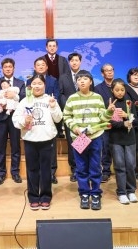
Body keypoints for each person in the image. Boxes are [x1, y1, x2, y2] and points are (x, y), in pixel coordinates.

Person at [63, 70, 112, 211]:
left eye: (85, 79)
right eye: (79, 79)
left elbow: (103, 118)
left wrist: (109, 111)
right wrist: (75, 128)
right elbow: (66, 116)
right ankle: (84, 194)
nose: (82, 81)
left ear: (91, 81)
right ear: (76, 82)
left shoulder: (97, 97)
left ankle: (96, 194)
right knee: (81, 167)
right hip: (79, 138)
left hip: (95, 137)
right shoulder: (72, 98)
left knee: (95, 167)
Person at [12, 74, 62, 210]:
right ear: (30, 86)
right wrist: (24, 120)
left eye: (40, 83)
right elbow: (15, 120)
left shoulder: (50, 99)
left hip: (47, 139)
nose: (37, 86)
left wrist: (53, 106)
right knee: (32, 169)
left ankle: (46, 197)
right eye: (34, 83)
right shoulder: (25, 101)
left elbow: (58, 119)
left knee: (46, 170)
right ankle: (33, 197)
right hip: (30, 139)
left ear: (44, 85)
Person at [0, 57, 26, 185]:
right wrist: (1, 105)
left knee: (16, 146)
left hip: (15, 118)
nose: (8, 69)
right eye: (5, 67)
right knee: (0, 147)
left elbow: (24, 98)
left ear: (14, 68)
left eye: (10, 67)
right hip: (1, 118)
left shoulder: (20, 82)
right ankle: (1, 173)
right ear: (2, 69)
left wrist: (14, 96)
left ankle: (15, 172)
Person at [27, 56, 60, 183]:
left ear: (46, 67)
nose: (40, 66)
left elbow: (56, 95)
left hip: (49, 115)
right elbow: (27, 97)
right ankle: (39, 174)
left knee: (51, 148)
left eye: (43, 65)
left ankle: (52, 173)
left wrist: (52, 104)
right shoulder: (29, 81)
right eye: (38, 65)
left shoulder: (53, 80)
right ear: (34, 67)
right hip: (34, 119)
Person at [108, 79, 138, 205]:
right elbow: (109, 122)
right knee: (119, 166)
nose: (120, 92)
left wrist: (127, 115)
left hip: (130, 138)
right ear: (112, 90)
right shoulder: (110, 103)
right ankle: (121, 192)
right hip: (116, 139)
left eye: (122, 90)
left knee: (131, 165)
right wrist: (122, 124)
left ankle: (131, 190)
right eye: (117, 90)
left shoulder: (129, 102)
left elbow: (136, 120)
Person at [58, 52, 82, 182]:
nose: (74, 62)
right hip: (70, 115)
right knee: (72, 142)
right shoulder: (63, 77)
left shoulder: (86, 75)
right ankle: (75, 170)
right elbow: (60, 94)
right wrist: (68, 106)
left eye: (76, 60)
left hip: (84, 116)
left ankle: (83, 168)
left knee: (83, 141)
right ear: (69, 62)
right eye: (72, 60)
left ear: (80, 62)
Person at [93, 63, 115, 182]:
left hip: (119, 121)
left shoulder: (119, 85)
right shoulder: (97, 88)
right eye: (107, 70)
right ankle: (106, 171)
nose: (110, 72)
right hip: (105, 121)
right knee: (105, 147)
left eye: (111, 70)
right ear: (102, 74)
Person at [44, 39, 70, 139]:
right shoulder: (42, 60)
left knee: (59, 107)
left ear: (57, 47)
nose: (52, 48)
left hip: (60, 88)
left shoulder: (62, 60)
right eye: (50, 46)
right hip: (47, 88)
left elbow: (67, 74)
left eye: (54, 46)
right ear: (46, 48)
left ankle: (60, 130)